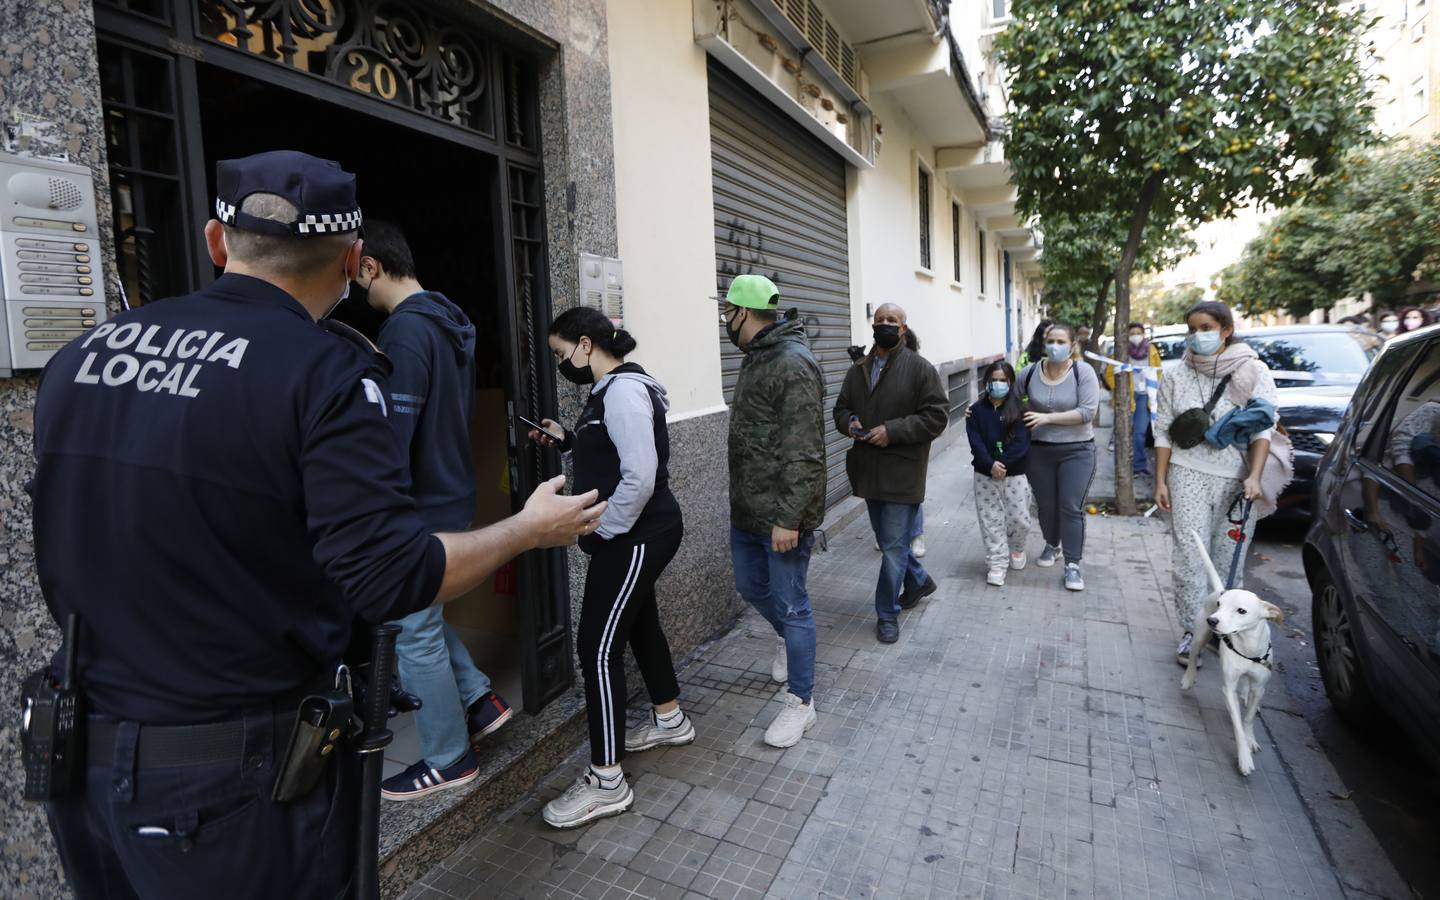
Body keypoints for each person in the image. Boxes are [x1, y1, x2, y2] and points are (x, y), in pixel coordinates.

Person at [27, 151, 606, 899]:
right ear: (352, 261)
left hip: (83, 753)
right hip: (228, 778)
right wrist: (528, 529)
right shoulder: (324, 371)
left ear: (215, 240)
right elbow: (389, 574)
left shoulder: (83, 356)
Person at [348, 221, 513, 802]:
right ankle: (479, 698)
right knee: (422, 615)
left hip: (416, 503)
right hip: (450, 494)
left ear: (370, 267)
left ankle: (449, 758)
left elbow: (393, 435)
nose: (356, 289)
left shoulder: (404, 333)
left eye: (355, 274)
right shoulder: (446, 324)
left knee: (408, 630)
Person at [524, 307, 691, 828]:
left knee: (596, 647)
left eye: (559, 353)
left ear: (585, 345)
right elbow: (611, 455)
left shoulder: (620, 391)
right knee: (640, 624)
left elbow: (640, 476)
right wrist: (569, 441)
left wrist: (601, 530)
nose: (561, 363)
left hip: (637, 533)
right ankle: (670, 719)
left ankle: (607, 780)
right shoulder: (609, 391)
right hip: (635, 533)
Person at [723, 274, 826, 748]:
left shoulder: (791, 362)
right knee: (751, 586)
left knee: (792, 603)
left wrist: (789, 518)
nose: (725, 320)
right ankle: (790, 639)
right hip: (748, 509)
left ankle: (800, 702)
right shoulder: (758, 357)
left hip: (780, 516)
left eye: (728, 311)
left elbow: (805, 451)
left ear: (743, 313)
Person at [1154, 300, 1279, 667]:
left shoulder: (1254, 371)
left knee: (1228, 565)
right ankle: (1193, 632)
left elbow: (1263, 429)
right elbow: (1162, 430)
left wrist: (1255, 476)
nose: (1198, 335)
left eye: (1206, 328)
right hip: (1186, 473)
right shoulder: (1176, 375)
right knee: (1189, 557)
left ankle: (1225, 632)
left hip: (1237, 484)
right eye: (1192, 329)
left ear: (1226, 330)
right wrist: (1160, 481)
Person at [833, 303, 947, 643]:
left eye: (891, 320)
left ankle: (887, 614)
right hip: (869, 472)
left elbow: (937, 416)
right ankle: (918, 581)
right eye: (880, 319)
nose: (885, 324)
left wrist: (892, 431)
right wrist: (849, 422)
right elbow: (841, 407)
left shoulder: (920, 369)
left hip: (903, 473)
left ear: (903, 328)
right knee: (889, 543)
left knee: (893, 549)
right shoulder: (859, 369)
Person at [1018, 323, 1101, 591]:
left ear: (1072, 345)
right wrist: (981, 411)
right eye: (1050, 340)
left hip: (1077, 450)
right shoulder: (1030, 372)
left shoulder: (1083, 371)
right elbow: (1010, 401)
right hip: (1039, 450)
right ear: (1043, 343)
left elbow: (1088, 412)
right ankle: (1052, 544)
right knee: (1045, 505)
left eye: (1061, 341)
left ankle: (1073, 565)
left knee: (1070, 506)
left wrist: (1047, 417)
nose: (1055, 346)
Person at [966, 361, 1033, 587]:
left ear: (1011, 382)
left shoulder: (1021, 411)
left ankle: (1017, 548)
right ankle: (997, 562)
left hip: (1014, 475)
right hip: (984, 476)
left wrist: (1001, 463)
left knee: (1020, 519)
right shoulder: (975, 411)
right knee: (990, 520)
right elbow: (975, 443)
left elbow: (1022, 443)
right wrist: (989, 464)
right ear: (986, 382)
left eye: (1003, 380)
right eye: (993, 379)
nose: (998, 384)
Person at [1104, 322, 1163, 477]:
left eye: (1138, 332)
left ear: (1143, 334)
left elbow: (1158, 372)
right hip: (1126, 397)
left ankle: (1139, 467)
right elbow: (1109, 374)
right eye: (1132, 333)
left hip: (1144, 397)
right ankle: (1121, 468)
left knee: (1140, 433)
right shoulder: (1121, 352)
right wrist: (1119, 390)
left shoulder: (1151, 351)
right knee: (1123, 432)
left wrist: (1154, 390)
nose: (1135, 336)